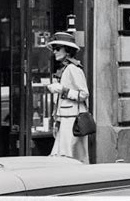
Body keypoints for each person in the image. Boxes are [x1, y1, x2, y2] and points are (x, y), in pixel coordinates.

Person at [46, 31, 89, 164]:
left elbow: (84, 94)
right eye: (54, 49)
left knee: (69, 156)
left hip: (72, 120)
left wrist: (63, 90)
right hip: (65, 119)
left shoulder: (73, 69)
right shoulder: (65, 69)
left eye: (58, 48)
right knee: (63, 156)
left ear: (67, 51)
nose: (55, 52)